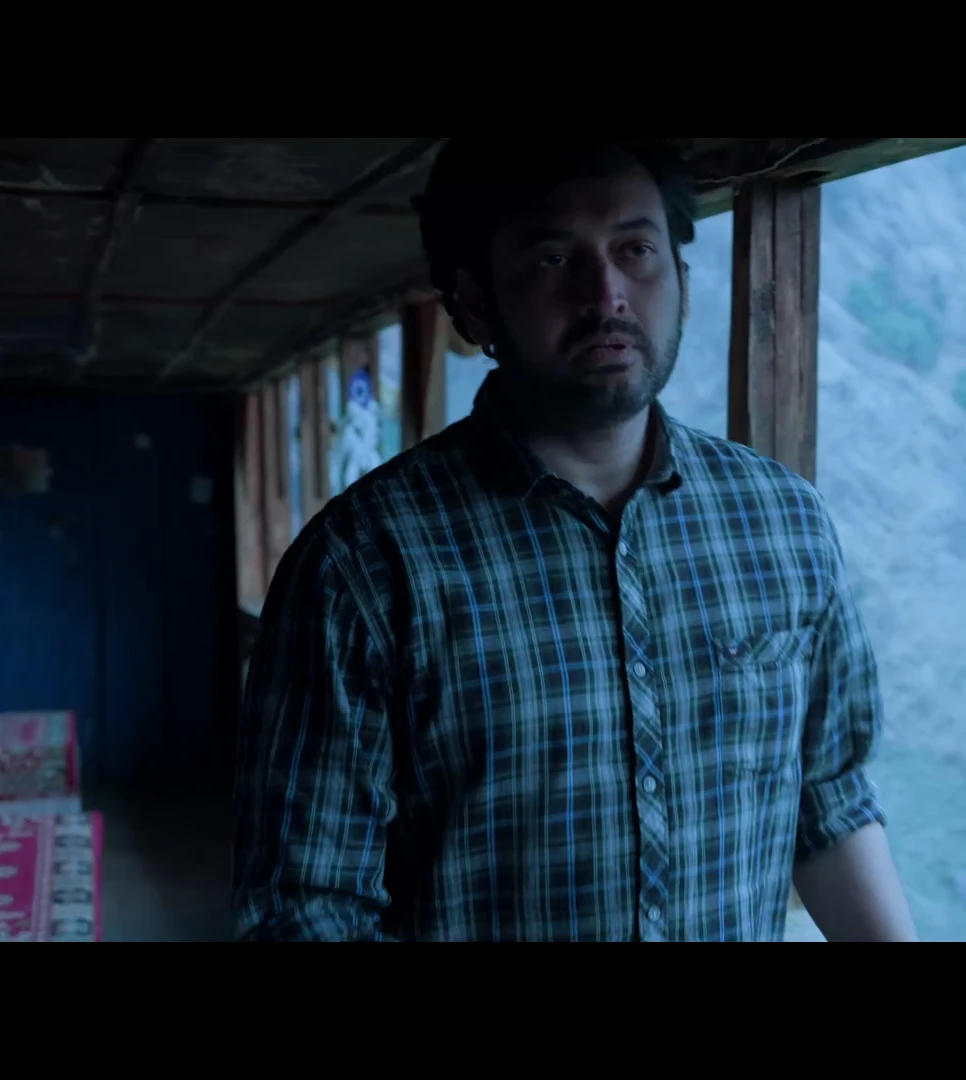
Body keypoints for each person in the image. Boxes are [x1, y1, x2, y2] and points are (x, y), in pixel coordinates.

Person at [232, 138, 917, 942]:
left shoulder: (781, 523)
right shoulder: (364, 566)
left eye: (636, 250)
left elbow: (827, 799)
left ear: (682, 280)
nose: (607, 294)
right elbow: (306, 909)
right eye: (555, 258)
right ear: (474, 304)